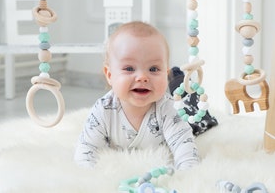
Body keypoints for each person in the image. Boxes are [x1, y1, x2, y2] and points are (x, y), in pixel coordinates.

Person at [74, 21, 199, 170]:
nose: (142, 77)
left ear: (166, 75)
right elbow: (86, 150)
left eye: (153, 69)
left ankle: (184, 88)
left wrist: (185, 176)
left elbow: (185, 149)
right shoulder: (103, 110)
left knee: (195, 118)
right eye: (129, 68)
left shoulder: (168, 109)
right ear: (110, 75)